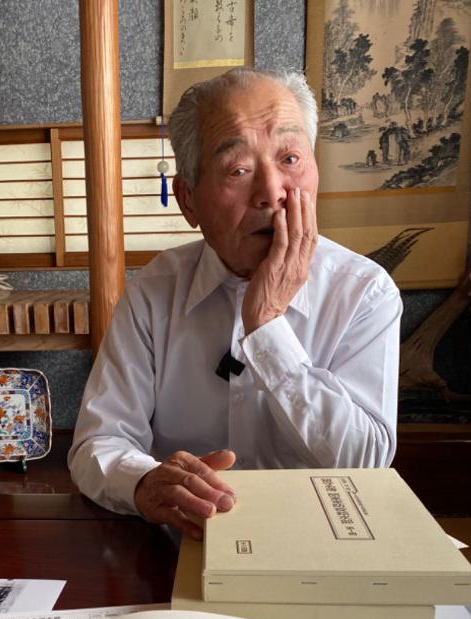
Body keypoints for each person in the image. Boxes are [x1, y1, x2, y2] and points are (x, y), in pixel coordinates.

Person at [68, 68, 402, 539]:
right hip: (186, 547)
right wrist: (143, 482)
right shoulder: (155, 292)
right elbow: (98, 442)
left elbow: (366, 462)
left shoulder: (364, 291)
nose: (272, 192)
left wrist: (267, 328)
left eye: (290, 158)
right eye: (238, 170)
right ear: (188, 200)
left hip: (317, 549)